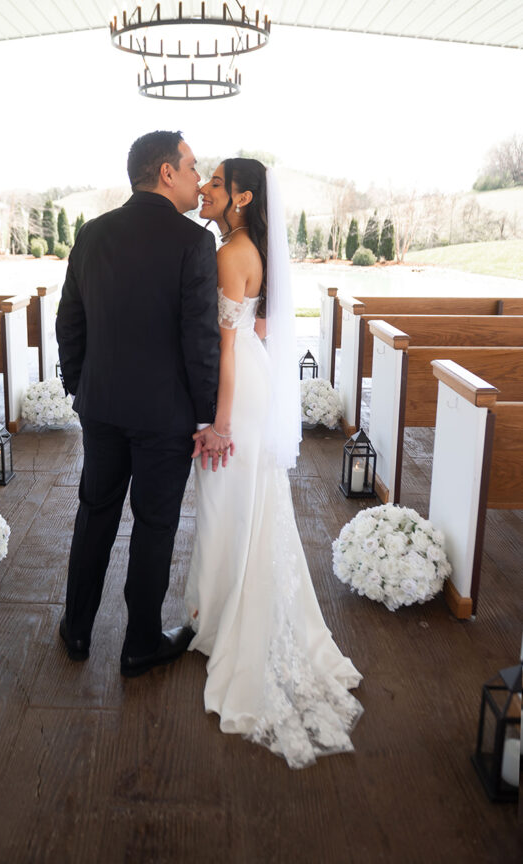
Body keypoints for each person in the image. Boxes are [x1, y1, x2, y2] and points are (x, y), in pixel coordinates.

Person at [185, 157, 363, 768]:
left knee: (226, 504)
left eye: (214, 182)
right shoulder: (246, 246)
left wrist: (220, 422)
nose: (205, 189)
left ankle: (224, 622)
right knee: (242, 505)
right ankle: (217, 613)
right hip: (250, 380)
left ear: (240, 197)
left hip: (238, 393)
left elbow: (227, 346)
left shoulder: (231, 253)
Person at [56, 130, 225, 678]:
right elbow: (200, 339)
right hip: (165, 416)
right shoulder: (193, 242)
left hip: (101, 406)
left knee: (95, 513)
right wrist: (206, 416)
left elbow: (69, 320)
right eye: (193, 167)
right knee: (155, 526)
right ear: (167, 173)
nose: (199, 178)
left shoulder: (92, 233)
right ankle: (139, 645)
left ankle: (76, 630)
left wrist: (82, 386)